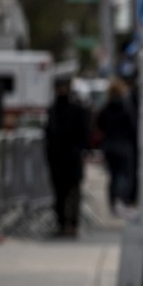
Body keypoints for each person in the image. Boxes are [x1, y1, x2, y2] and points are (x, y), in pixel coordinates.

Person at [44, 77, 91, 237]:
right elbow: (49, 133)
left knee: (73, 192)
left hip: (72, 157)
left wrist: (79, 149)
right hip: (57, 158)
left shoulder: (76, 109)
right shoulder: (53, 110)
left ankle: (72, 223)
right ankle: (62, 223)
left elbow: (85, 132)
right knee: (59, 193)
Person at [95, 77, 138, 216]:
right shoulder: (125, 108)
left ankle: (114, 202)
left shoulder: (106, 108)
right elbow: (133, 126)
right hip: (124, 144)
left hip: (109, 145)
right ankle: (122, 200)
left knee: (113, 175)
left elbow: (99, 124)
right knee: (125, 174)